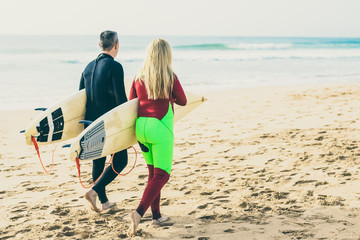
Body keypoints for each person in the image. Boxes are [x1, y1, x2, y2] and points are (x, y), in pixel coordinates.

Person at [127, 39, 187, 237]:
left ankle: (157, 215)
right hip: (160, 127)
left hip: (141, 129)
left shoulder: (138, 77)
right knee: (163, 175)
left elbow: (130, 103)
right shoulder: (170, 77)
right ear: (166, 56)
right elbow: (183, 100)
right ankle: (138, 213)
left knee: (153, 174)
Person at [79, 30, 128, 213]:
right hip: (109, 124)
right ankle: (94, 191)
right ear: (116, 45)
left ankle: (104, 202)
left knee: (98, 163)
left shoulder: (87, 67)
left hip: (89, 124)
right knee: (121, 160)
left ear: (100, 45)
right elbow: (121, 101)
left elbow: (80, 98)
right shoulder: (115, 67)